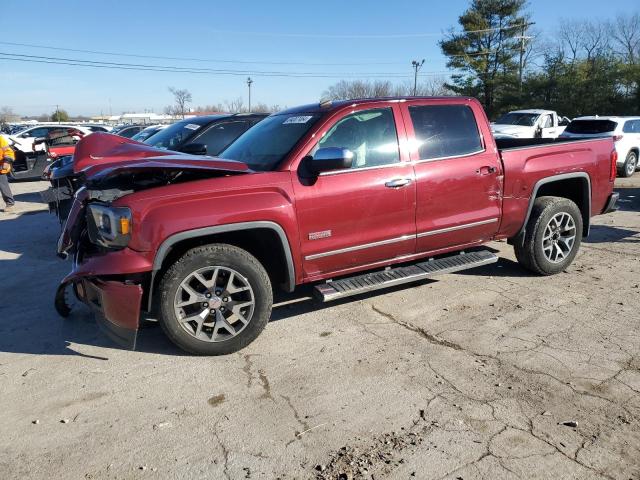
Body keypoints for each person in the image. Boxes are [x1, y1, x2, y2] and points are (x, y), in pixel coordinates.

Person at [0, 133, 16, 212]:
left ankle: (10, 204)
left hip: (0, 167)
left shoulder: (0, 139)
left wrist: (6, 161)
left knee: (3, 187)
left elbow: (8, 152)